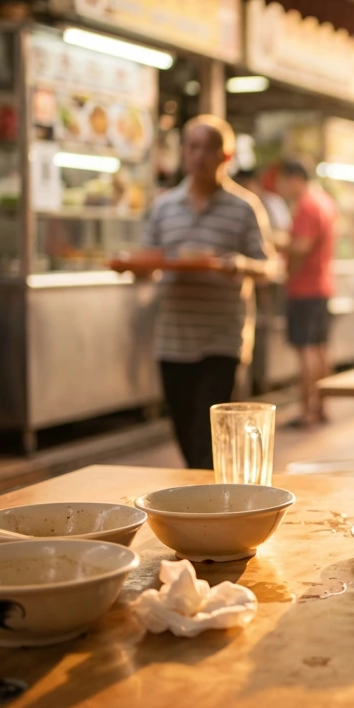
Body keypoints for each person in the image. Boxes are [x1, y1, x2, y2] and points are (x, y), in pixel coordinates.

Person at [139, 115, 276, 470]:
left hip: (222, 339)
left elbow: (268, 267)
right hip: (173, 338)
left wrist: (237, 265)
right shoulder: (164, 207)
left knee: (209, 438)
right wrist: (139, 268)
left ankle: (210, 512)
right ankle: (202, 502)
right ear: (183, 152)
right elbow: (147, 260)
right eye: (193, 147)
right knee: (186, 435)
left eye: (209, 149)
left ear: (225, 157)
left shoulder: (244, 207)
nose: (199, 156)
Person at [277, 158, 337, 428]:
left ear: (295, 178)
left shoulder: (307, 206)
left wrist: (275, 240)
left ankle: (306, 411)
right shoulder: (324, 201)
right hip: (321, 285)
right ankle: (320, 406)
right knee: (320, 349)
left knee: (307, 351)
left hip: (305, 288)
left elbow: (301, 246)